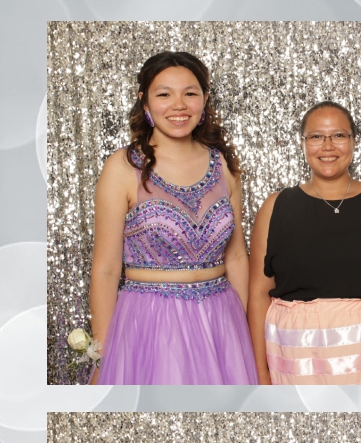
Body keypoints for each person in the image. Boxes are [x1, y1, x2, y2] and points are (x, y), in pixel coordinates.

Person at [89, 51, 258, 385]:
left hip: (219, 319)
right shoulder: (122, 167)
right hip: (149, 321)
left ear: (204, 100)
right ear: (145, 102)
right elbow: (106, 270)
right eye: (164, 94)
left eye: (190, 93)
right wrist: (103, 354)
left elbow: (237, 256)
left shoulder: (225, 165)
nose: (178, 105)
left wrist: (241, 330)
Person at [248, 102, 361, 385]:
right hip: (299, 359)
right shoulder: (275, 207)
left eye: (339, 135)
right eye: (316, 136)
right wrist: (260, 372)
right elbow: (258, 294)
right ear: (303, 143)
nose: (327, 146)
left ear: (353, 141)